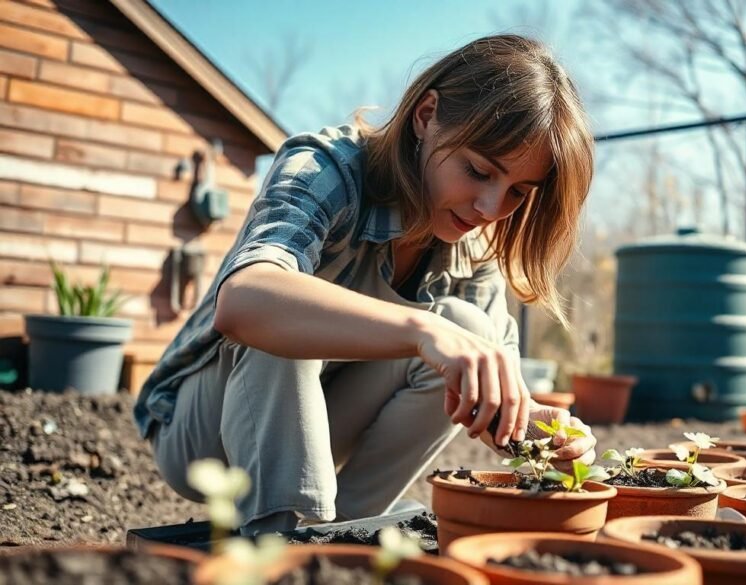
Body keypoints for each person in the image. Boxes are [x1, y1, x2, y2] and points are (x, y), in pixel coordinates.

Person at [134, 34, 598, 536]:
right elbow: (244, 300)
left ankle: (348, 535)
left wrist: (545, 433)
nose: (489, 209)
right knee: (287, 312)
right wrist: (423, 330)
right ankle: (277, 541)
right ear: (426, 115)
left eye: (516, 193)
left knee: (470, 330)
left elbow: (496, 396)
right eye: (478, 170)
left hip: (323, 426)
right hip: (203, 432)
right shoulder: (328, 169)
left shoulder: (471, 244)